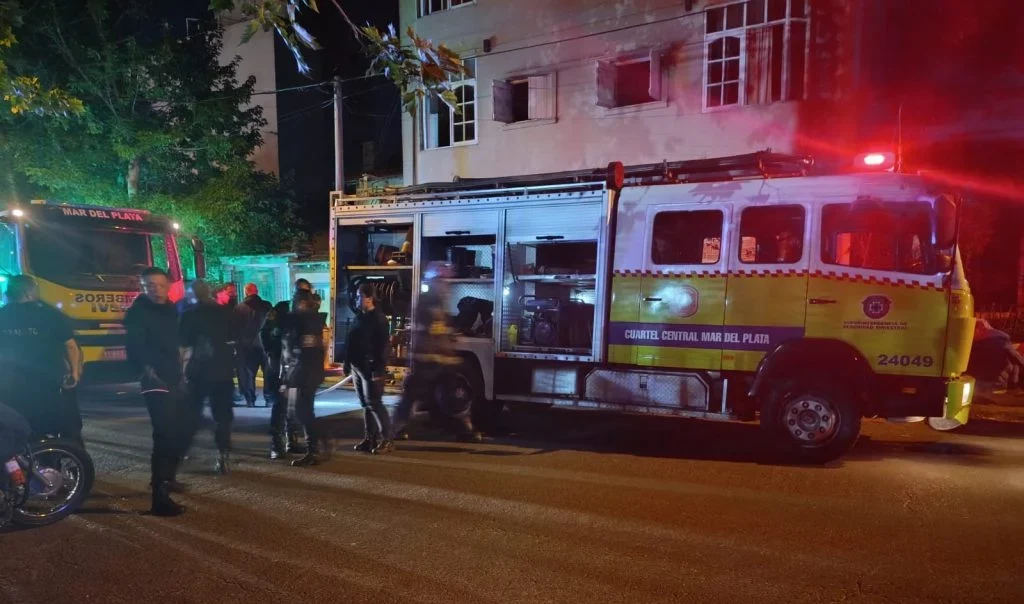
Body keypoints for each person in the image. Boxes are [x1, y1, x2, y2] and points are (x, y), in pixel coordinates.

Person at [392, 262, 481, 443]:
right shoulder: (427, 302)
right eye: (442, 280)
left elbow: (442, 331)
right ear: (434, 281)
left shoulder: (438, 301)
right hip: (426, 360)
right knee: (411, 395)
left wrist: (451, 348)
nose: (445, 284)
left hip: (441, 361)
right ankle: (395, 429)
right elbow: (430, 332)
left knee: (455, 395)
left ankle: (465, 430)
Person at [125, 267, 187, 517]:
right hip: (155, 379)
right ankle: (159, 498)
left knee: (177, 431)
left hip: (174, 377)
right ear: (143, 286)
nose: (156, 290)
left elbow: (176, 343)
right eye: (151, 285)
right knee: (164, 434)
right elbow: (135, 347)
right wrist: (148, 370)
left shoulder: (170, 309)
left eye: (161, 285)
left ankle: (166, 478)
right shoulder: (138, 313)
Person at [0, 275, 83, 444]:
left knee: (21, 427)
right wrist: (74, 373)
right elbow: (71, 346)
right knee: (61, 425)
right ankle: (62, 462)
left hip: (13, 384)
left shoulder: (2, 315)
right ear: (30, 291)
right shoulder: (50, 314)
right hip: (50, 380)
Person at [179, 280, 239, 474]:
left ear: (193, 294)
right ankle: (223, 456)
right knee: (223, 417)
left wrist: (180, 371)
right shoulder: (226, 313)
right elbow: (234, 338)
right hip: (223, 371)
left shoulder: (189, 315)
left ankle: (181, 453)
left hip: (199, 372)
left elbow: (183, 344)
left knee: (192, 413)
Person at [346, 282, 393, 454]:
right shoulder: (360, 317)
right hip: (357, 367)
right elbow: (351, 341)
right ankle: (369, 439)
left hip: (370, 367)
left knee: (375, 403)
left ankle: (387, 439)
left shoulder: (378, 319)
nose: (357, 299)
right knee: (366, 404)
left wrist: (377, 369)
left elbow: (383, 346)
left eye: (359, 296)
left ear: (369, 298)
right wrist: (347, 363)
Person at [283, 290, 326, 466]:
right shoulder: (314, 321)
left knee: (303, 411)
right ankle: (314, 446)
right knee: (305, 410)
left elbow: (302, 353)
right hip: (311, 372)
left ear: (300, 302)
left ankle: (314, 448)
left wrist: (290, 379)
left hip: (304, 373)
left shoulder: (304, 322)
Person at [263, 300, 298, 459]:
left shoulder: (275, 322)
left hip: (281, 368)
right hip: (280, 369)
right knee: (282, 406)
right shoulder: (282, 322)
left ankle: (286, 442)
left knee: (287, 406)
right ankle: (279, 443)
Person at [235, 283, 272, 407]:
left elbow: (236, 328)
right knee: (267, 372)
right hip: (265, 344)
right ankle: (268, 398)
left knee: (249, 373)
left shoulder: (239, 308)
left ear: (246, 292)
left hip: (247, 345)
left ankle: (250, 399)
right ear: (257, 291)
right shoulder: (267, 306)